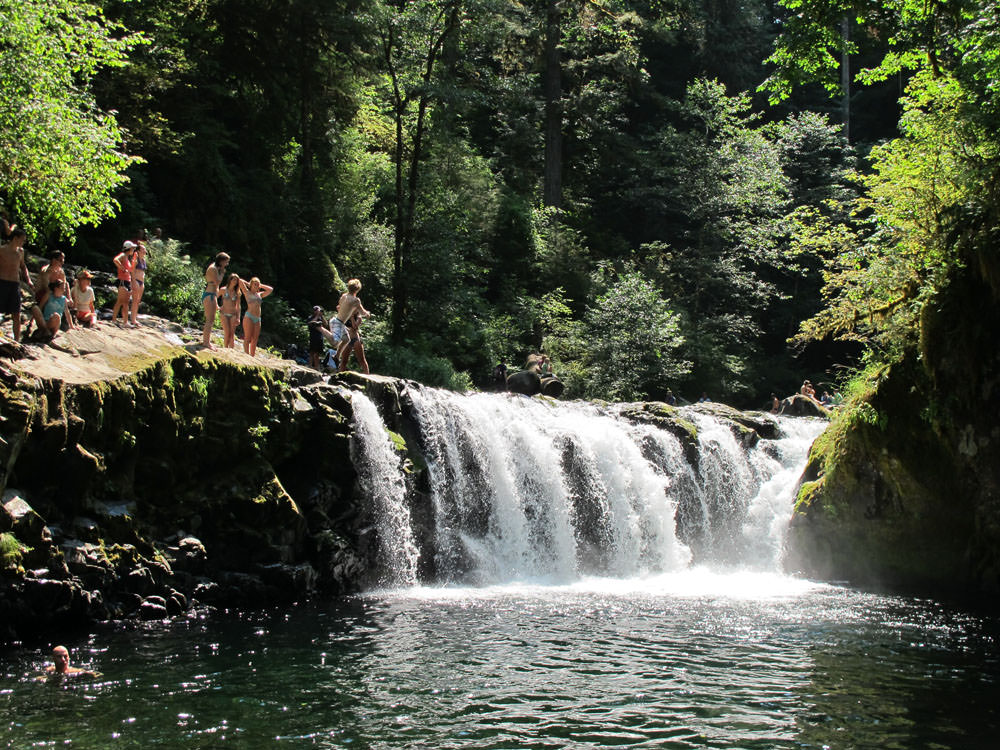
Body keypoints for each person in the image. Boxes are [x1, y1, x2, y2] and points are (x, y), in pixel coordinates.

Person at [0, 228, 32, 341]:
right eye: (22, 240)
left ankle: (17, 341)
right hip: (2, 283)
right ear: (15, 238)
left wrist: (28, 280)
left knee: (16, 313)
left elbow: (23, 266)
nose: (23, 242)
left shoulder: (21, 252)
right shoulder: (2, 250)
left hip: (15, 284)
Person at [331, 279, 371, 366]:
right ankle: (321, 329)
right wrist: (367, 314)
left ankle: (336, 357)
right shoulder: (356, 300)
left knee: (346, 340)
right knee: (334, 343)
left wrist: (348, 310)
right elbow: (362, 312)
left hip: (338, 322)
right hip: (338, 323)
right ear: (357, 290)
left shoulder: (344, 296)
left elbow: (338, 307)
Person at [238, 276, 272, 357]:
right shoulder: (247, 292)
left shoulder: (260, 294)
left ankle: (252, 356)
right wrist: (249, 284)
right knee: (248, 337)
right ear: (251, 285)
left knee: (255, 339)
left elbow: (270, 289)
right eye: (255, 284)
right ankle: (246, 355)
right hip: (249, 316)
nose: (256, 286)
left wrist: (261, 285)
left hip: (257, 318)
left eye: (257, 285)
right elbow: (240, 281)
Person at [202, 252, 230, 349]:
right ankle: (206, 343)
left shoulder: (215, 268)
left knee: (211, 319)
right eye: (226, 262)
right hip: (209, 295)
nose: (227, 264)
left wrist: (216, 302)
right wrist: (222, 272)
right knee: (210, 319)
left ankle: (206, 341)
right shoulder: (213, 268)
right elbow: (217, 282)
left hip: (212, 295)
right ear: (221, 261)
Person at [112, 241, 137, 326]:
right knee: (123, 302)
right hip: (122, 280)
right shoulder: (123, 255)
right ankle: (123, 321)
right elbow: (115, 260)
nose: (133, 250)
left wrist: (134, 262)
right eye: (132, 248)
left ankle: (118, 320)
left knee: (123, 302)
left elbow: (130, 270)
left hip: (127, 281)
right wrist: (123, 269)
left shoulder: (127, 258)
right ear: (128, 248)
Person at [338, 309, 370, 374]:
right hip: (347, 340)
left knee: (361, 360)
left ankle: (367, 376)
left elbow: (355, 327)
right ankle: (341, 376)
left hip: (355, 339)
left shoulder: (359, 318)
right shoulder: (346, 315)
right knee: (344, 360)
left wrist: (352, 317)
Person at [219, 274, 242, 348]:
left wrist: (238, 318)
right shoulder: (223, 289)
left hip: (233, 314)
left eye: (237, 280)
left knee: (232, 334)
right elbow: (215, 297)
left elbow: (238, 306)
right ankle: (225, 348)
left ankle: (231, 350)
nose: (235, 282)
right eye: (234, 279)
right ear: (230, 280)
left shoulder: (237, 293)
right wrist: (218, 307)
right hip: (224, 313)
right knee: (227, 332)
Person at [128, 242, 149, 327]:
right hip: (136, 280)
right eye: (143, 249)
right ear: (139, 251)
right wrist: (133, 281)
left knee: (138, 301)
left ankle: (134, 318)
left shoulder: (143, 260)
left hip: (141, 282)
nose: (145, 251)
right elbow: (132, 271)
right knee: (134, 300)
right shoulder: (135, 260)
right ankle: (132, 319)